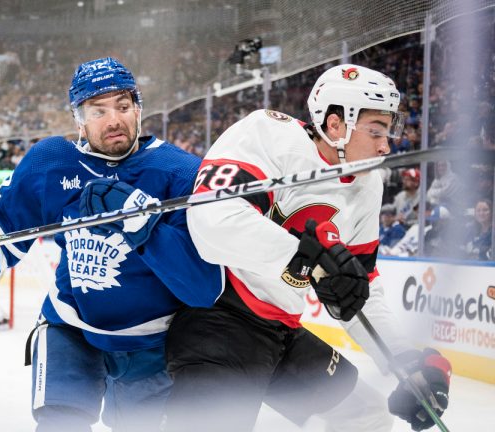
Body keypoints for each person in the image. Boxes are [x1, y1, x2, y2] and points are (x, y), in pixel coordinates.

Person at [0, 57, 223, 431]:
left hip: (154, 341)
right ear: (78, 119)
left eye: (123, 106)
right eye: (98, 110)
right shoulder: (51, 161)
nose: (114, 120)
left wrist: (144, 223)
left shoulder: (180, 171)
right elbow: (2, 230)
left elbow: (205, 287)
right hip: (70, 326)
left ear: (139, 109)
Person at [165, 64, 452, 432]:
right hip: (219, 323)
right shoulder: (267, 133)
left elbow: (356, 288)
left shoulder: (368, 184)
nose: (386, 145)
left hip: (282, 333)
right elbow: (211, 221)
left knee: (367, 414)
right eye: (376, 131)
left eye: (389, 131)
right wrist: (310, 259)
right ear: (335, 125)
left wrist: (405, 362)